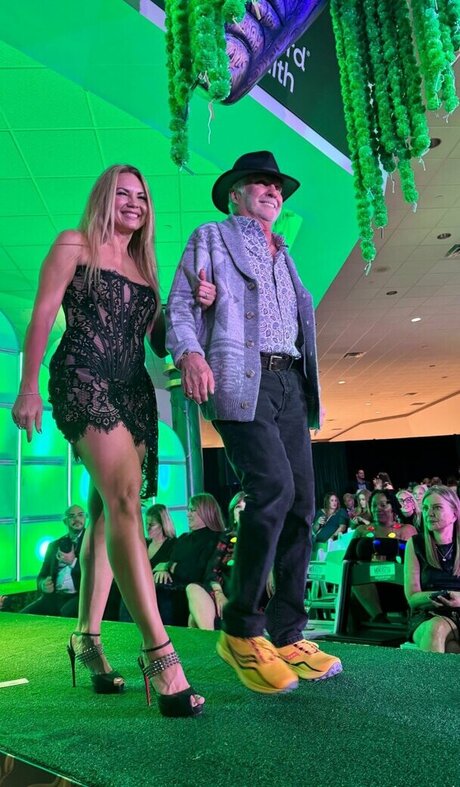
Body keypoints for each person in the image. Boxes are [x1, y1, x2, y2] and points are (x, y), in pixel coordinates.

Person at [11, 164, 214, 717]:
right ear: (104, 197)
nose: (133, 203)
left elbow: (160, 341)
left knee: (105, 511)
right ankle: (160, 655)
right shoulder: (73, 243)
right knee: (126, 500)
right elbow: (42, 317)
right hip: (82, 377)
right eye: (123, 193)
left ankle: (87, 638)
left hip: (133, 390)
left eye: (141, 196)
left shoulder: (145, 265)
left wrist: (197, 304)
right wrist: (28, 388)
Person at [166, 150, 342, 694]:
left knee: (303, 504)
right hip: (242, 379)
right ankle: (241, 630)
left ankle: (288, 634)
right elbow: (180, 305)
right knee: (272, 488)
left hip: (290, 381)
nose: (273, 191)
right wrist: (190, 354)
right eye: (261, 183)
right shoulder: (212, 237)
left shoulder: (283, 252)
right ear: (234, 194)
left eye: (278, 186)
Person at [153, 493, 226, 628]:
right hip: (172, 591)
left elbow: (197, 572)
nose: (188, 514)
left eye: (193, 510)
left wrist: (172, 567)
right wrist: (165, 569)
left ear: (206, 512)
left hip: (195, 592)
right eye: (188, 510)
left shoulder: (217, 539)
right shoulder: (183, 538)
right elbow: (172, 561)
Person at [405, 485, 460, 652]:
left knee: (452, 648)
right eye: (426, 508)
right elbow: (412, 598)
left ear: (454, 514)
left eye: (437, 507)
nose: (429, 513)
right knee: (436, 628)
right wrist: (439, 596)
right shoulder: (415, 544)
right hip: (428, 615)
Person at [21, 505, 86, 617]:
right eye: (72, 516)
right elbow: (42, 576)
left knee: (63, 616)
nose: (77, 519)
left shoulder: (92, 543)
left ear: (85, 518)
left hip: (80, 596)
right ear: (65, 521)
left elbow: (97, 574)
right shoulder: (53, 546)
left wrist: (73, 562)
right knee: (23, 616)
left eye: (80, 515)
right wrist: (43, 585)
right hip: (54, 597)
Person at [119, 503, 177, 622]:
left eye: (152, 524)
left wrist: (166, 566)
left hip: (158, 588)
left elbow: (176, 563)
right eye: (146, 523)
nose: (147, 527)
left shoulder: (173, 544)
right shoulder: (143, 543)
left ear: (163, 524)